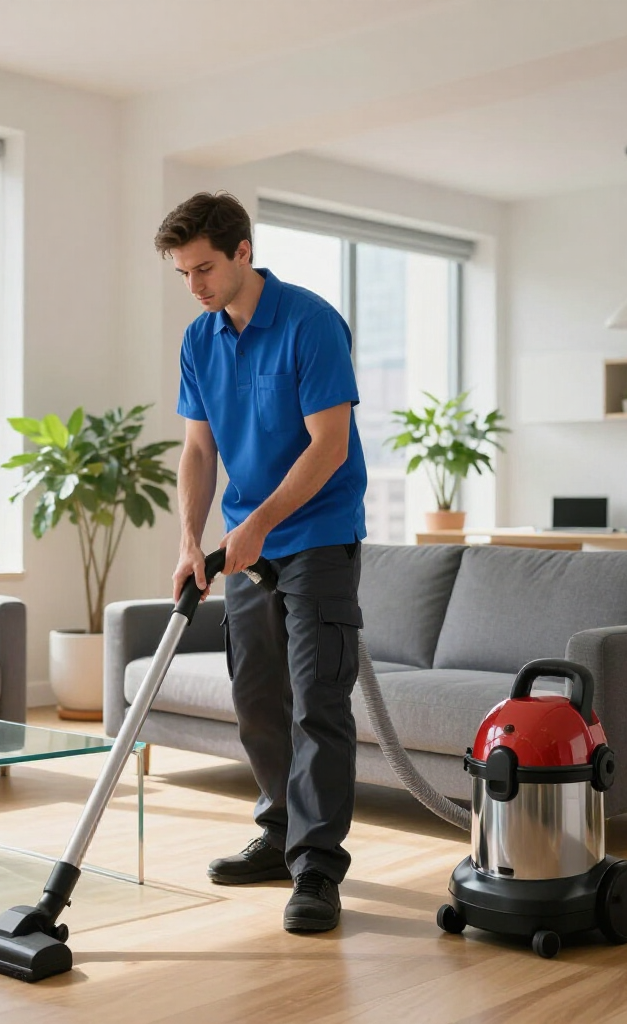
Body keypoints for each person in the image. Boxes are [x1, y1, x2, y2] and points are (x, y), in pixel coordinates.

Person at [154, 191, 367, 933]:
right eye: (184, 274)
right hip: (248, 547)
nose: (196, 286)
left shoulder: (309, 324)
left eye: (205, 268)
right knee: (257, 699)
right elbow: (198, 448)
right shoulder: (199, 339)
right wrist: (192, 539)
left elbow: (329, 446)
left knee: (319, 702)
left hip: (317, 538)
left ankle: (315, 867)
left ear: (243, 252)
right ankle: (279, 835)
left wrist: (262, 525)